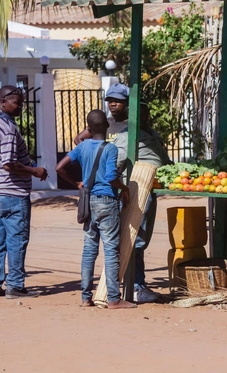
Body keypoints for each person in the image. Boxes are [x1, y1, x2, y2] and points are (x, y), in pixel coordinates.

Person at [56, 110, 136, 309]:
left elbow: (59, 167)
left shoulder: (82, 147)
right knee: (110, 250)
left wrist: (76, 183)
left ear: (88, 128)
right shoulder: (111, 149)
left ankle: (85, 298)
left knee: (89, 249)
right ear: (107, 127)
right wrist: (125, 188)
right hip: (107, 201)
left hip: (88, 201)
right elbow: (110, 177)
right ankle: (114, 299)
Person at [0, 85, 48, 299]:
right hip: (12, 192)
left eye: (21, 102)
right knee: (17, 239)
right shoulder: (8, 128)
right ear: (2, 102)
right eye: (17, 102)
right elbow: (9, 163)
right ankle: (15, 286)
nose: (20, 106)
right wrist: (34, 171)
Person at [111, 103, 172, 303]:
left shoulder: (150, 132)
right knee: (135, 239)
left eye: (146, 114)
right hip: (136, 190)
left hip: (149, 188)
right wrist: (122, 189)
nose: (144, 117)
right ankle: (135, 286)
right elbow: (116, 164)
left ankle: (138, 284)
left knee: (141, 237)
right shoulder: (126, 136)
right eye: (140, 114)